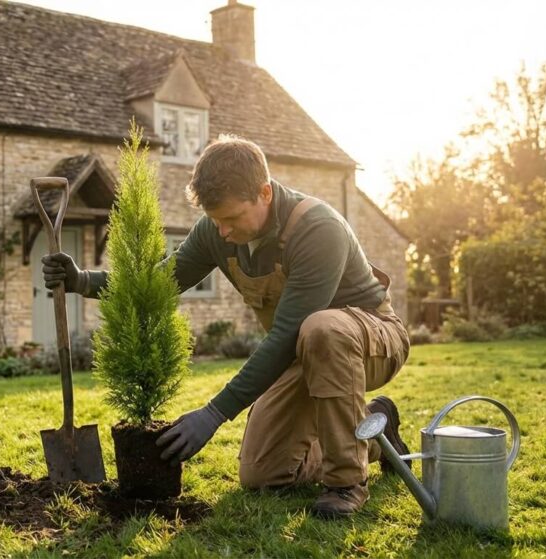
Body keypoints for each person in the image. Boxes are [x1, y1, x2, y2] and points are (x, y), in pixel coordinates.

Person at [42, 135, 411, 518]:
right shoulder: (215, 231)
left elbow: (287, 333)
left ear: (264, 193)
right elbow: (158, 283)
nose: (223, 231)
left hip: (371, 342)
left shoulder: (318, 229)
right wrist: (83, 280)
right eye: (215, 220)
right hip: (301, 354)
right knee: (263, 473)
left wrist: (214, 413)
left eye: (232, 219)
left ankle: (346, 482)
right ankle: (375, 433)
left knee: (322, 328)